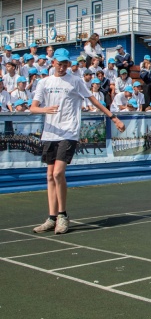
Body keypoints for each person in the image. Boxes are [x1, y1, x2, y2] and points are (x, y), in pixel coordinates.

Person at [30, 48, 125, 234]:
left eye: (65, 63)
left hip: (69, 131)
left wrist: (113, 118)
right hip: (50, 133)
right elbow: (33, 107)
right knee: (50, 176)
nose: (62, 66)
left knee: (58, 173)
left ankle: (62, 215)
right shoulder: (44, 82)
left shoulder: (75, 81)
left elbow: (94, 101)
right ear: (53, 63)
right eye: (60, 63)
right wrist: (44, 110)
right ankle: (51, 217)